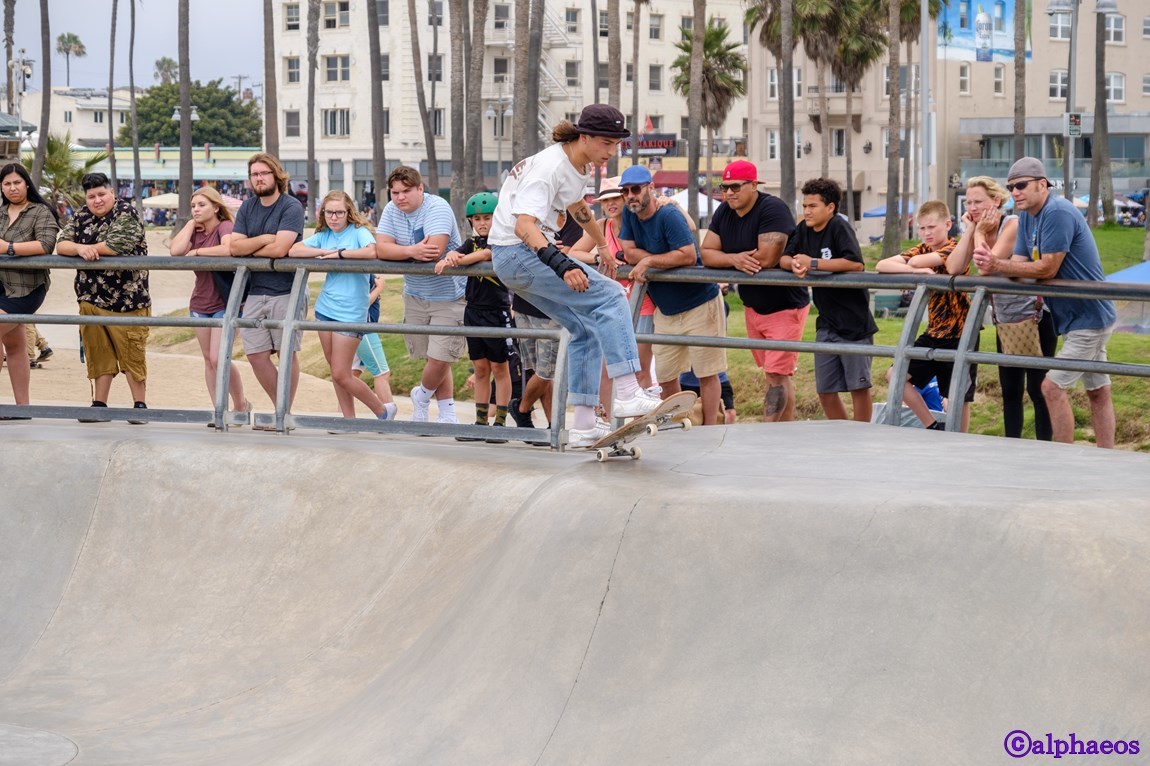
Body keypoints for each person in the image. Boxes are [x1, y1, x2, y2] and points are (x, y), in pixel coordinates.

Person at [487, 104, 662, 448]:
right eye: (607, 144)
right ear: (584, 137)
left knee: (585, 328)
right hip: (519, 253)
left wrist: (603, 246)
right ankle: (628, 391)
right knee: (612, 296)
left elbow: (577, 207)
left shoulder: (574, 163)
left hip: (515, 259)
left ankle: (583, 423)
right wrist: (563, 264)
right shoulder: (549, 168)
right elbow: (524, 226)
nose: (611, 153)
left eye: (616, 145)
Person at [973, 157, 1117, 448]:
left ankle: (1061, 459)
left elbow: (1047, 268)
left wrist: (997, 263)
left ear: (1042, 184)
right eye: (1011, 187)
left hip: (1090, 318)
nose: (1015, 192)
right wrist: (993, 260)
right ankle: (1108, 456)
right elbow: (1018, 264)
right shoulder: (1026, 216)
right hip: (1077, 318)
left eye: (1021, 185)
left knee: (1050, 387)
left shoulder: (1058, 211)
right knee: (1098, 391)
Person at [947, 175, 1055, 440]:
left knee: (1038, 390)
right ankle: (1011, 447)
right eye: (969, 202)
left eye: (979, 201)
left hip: (1036, 316)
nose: (972, 208)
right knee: (1010, 390)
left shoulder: (1013, 224)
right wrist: (971, 230)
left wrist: (980, 232)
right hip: (1005, 319)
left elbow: (985, 266)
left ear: (996, 201)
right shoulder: (976, 229)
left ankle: (1045, 450)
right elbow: (954, 268)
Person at [618, 164, 727, 425]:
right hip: (666, 309)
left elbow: (688, 256)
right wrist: (653, 261)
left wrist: (648, 262)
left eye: (635, 189)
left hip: (700, 303)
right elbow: (629, 251)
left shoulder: (669, 215)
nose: (630, 195)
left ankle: (709, 429)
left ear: (650, 189)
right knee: (665, 375)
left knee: (707, 373)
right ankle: (682, 423)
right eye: (625, 191)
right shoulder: (629, 214)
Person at [700, 159, 805, 422]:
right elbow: (707, 253)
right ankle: (784, 433)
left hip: (784, 304)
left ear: (754, 185)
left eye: (735, 187)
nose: (729, 193)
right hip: (752, 304)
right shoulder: (724, 211)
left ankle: (768, 433)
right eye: (724, 187)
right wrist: (734, 259)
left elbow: (767, 258)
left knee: (775, 375)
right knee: (775, 374)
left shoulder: (772, 208)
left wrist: (727, 256)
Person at [288, 190, 397, 422]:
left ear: (349, 212)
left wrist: (340, 254)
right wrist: (324, 252)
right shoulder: (324, 235)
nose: (334, 217)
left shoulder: (358, 232)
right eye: (329, 213)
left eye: (339, 212)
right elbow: (294, 250)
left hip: (351, 313)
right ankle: (349, 420)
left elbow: (372, 251)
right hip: (325, 309)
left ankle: (383, 411)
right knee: (336, 373)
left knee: (341, 373)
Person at [780, 178, 878, 422]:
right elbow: (784, 258)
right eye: (804, 206)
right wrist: (793, 264)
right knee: (825, 390)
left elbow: (855, 263)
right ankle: (844, 433)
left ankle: (861, 436)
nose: (807, 211)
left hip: (854, 324)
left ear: (830, 207)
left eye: (813, 206)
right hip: (826, 322)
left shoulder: (839, 228)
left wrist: (813, 263)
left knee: (859, 387)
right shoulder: (803, 229)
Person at [56, 172, 151, 421]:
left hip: (128, 301)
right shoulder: (81, 216)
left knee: (132, 354)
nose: (97, 200)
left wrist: (86, 250)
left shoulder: (126, 212)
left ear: (112, 193)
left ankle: (139, 406)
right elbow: (61, 244)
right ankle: (99, 404)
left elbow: (116, 245)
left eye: (101, 194)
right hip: (90, 297)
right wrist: (79, 248)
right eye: (91, 196)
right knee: (97, 352)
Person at [374, 165, 465, 424]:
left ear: (421, 189)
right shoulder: (391, 210)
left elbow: (434, 250)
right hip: (414, 293)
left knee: (440, 356)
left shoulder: (437, 207)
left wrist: (401, 250)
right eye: (395, 192)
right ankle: (444, 411)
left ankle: (422, 396)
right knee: (431, 357)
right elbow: (381, 248)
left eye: (406, 191)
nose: (400, 197)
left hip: (448, 294)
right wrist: (412, 250)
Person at [876, 200, 975, 431]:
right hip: (934, 331)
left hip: (960, 333)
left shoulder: (955, 248)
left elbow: (924, 260)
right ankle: (932, 426)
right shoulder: (920, 249)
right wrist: (914, 270)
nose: (926, 233)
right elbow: (882, 264)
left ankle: (960, 439)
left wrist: (916, 264)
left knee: (956, 395)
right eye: (922, 228)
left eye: (932, 227)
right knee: (895, 375)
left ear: (948, 225)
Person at [228, 152, 306, 409]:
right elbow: (234, 248)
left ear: (276, 175)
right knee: (255, 355)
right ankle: (281, 409)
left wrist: (251, 247)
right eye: (254, 175)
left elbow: (280, 249)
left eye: (264, 173)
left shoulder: (291, 206)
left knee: (286, 355)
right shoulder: (247, 207)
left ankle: (282, 412)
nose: (259, 179)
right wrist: (263, 240)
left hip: (287, 291)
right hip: (255, 291)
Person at [436, 191, 513, 442]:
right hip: (473, 311)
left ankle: (500, 421)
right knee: (480, 368)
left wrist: (457, 261)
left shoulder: (501, 241)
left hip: (497, 311)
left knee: (500, 367)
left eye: (487, 217)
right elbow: (458, 252)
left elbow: (484, 256)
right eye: (477, 218)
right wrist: (451, 256)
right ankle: (480, 421)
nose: (482, 223)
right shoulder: (471, 241)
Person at [169, 186, 249, 417]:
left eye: (202, 205)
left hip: (225, 301)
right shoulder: (194, 230)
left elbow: (229, 249)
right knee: (208, 360)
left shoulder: (224, 226)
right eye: (193, 206)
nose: (196, 209)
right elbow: (176, 251)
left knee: (219, 357)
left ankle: (240, 404)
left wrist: (197, 253)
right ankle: (218, 409)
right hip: (200, 303)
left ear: (216, 207)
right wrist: (190, 224)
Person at [0, 163, 60, 411]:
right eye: (6, 184)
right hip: (0, 284)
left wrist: (7, 248)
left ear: (26, 183)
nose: (12, 188)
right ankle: (22, 409)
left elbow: (46, 245)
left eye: (17, 182)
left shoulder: (41, 211)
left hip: (27, 288)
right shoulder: (1, 212)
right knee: (15, 345)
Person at [351, 274, 396, 407]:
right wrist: (379, 288)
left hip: (354, 327)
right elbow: (361, 304)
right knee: (382, 373)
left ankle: (342, 415)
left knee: (352, 374)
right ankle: (387, 416)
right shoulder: (365, 275)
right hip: (365, 329)